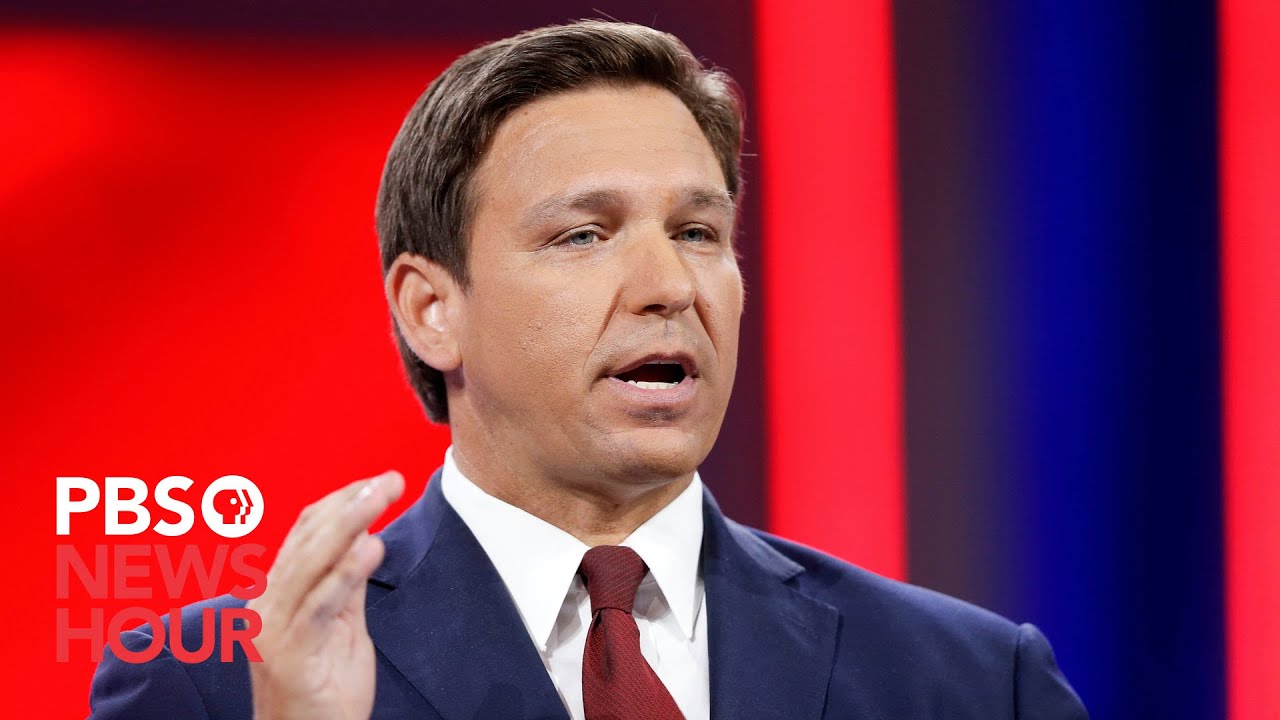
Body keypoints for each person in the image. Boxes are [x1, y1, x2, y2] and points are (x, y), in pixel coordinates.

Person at [88, 20, 1087, 720]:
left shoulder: (970, 682)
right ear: (432, 309)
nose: (670, 285)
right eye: (583, 234)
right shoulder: (219, 685)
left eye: (697, 231)